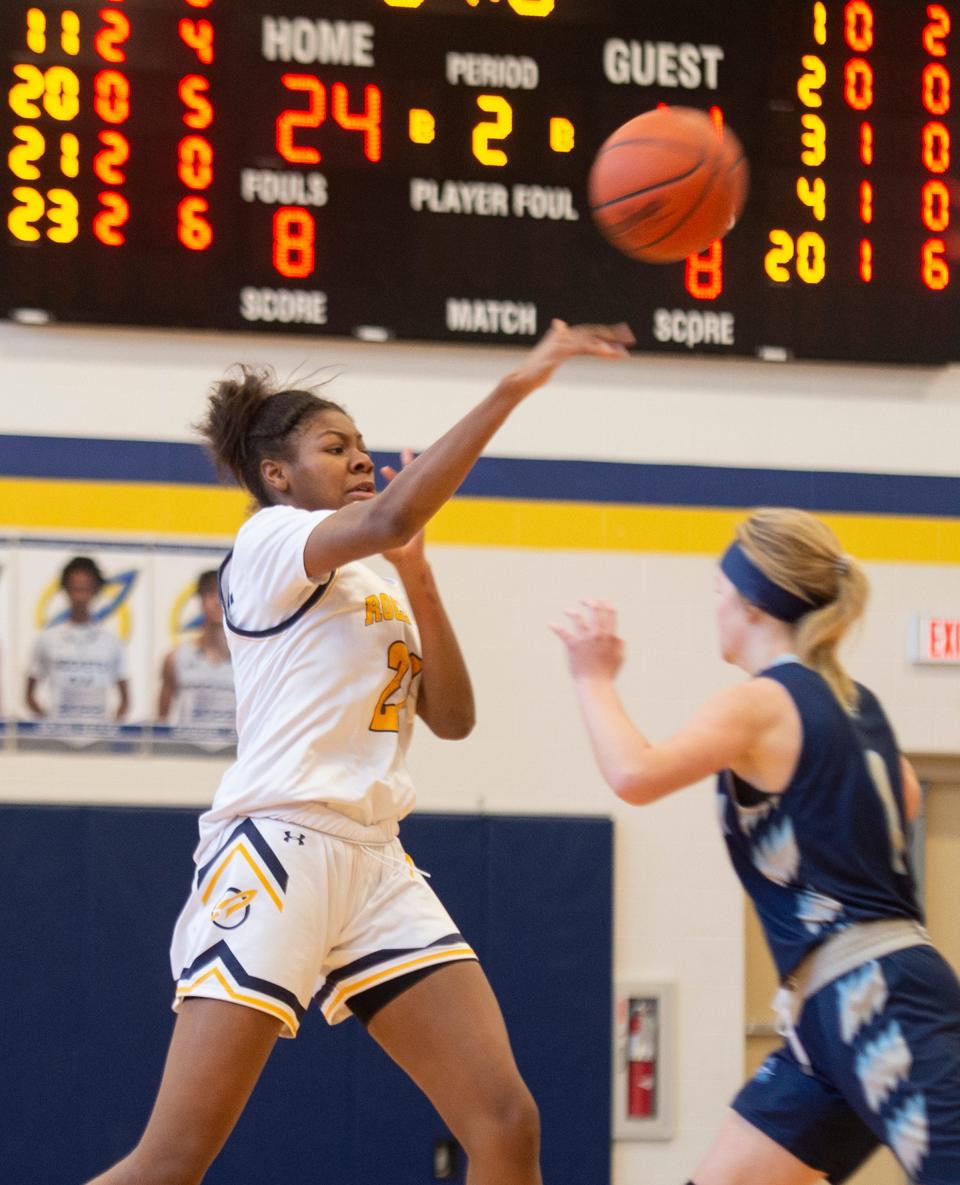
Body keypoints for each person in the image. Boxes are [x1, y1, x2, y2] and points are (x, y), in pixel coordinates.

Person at [82, 318, 634, 1185]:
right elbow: (396, 508)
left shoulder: (370, 575)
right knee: (173, 1160)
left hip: (377, 862)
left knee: (505, 1122)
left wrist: (416, 571)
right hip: (280, 850)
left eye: (363, 446)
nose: (360, 457)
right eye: (335, 446)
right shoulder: (269, 542)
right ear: (277, 474)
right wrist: (515, 386)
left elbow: (452, 716)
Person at [552, 507, 960, 1185]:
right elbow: (907, 798)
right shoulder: (857, 702)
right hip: (830, 1008)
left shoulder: (760, 702)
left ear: (749, 601)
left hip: (875, 993)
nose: (713, 608)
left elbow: (634, 773)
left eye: (716, 592)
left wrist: (591, 677)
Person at [26, 555, 129, 724]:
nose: (80, 596)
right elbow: (29, 694)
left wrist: (109, 729)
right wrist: (49, 724)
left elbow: (125, 698)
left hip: (98, 740)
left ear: (96, 590)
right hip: (57, 740)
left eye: (86, 588)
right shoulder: (47, 639)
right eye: (75, 588)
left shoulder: (111, 642)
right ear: (65, 589)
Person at [157, 569, 235, 733]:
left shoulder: (248, 662)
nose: (217, 602)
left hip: (232, 754)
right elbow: (161, 720)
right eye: (210, 593)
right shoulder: (175, 658)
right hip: (187, 752)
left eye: (224, 595)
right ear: (200, 599)